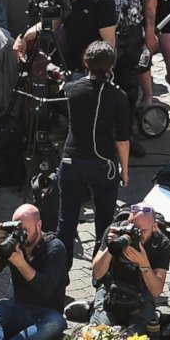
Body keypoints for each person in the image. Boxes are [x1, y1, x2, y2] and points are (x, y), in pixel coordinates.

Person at [57, 40, 134, 248]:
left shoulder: (71, 89)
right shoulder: (117, 96)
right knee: (105, 223)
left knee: (66, 221)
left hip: (72, 160)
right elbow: (122, 138)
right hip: (102, 164)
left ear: (86, 62)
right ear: (111, 66)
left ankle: (59, 272)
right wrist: (124, 171)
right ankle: (101, 275)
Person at [0, 200, 73, 340]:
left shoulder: (55, 247)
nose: (21, 235)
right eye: (17, 229)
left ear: (39, 225)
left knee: (56, 323)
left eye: (25, 230)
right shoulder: (15, 243)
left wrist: (21, 263)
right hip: (16, 306)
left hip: (46, 312)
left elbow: (46, 288)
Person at [91, 201, 170, 336]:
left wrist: (144, 264)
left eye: (141, 231)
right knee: (99, 335)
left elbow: (156, 291)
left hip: (141, 299)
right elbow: (97, 274)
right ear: (128, 222)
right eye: (132, 227)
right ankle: (94, 312)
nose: (135, 234)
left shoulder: (161, 243)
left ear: (154, 227)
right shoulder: (115, 231)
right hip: (111, 294)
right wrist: (111, 248)